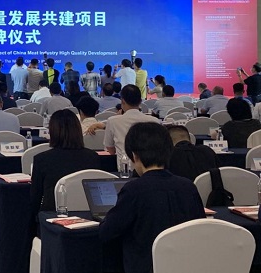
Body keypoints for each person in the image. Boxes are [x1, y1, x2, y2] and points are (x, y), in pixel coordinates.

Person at [99, 122, 205, 273]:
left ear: (134, 156)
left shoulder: (134, 190)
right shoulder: (188, 186)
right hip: (184, 265)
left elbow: (107, 233)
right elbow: (200, 227)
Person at [30, 109, 100, 219]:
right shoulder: (93, 157)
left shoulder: (42, 159)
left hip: (53, 218)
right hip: (88, 217)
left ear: (52, 132)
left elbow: (35, 198)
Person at [103, 84, 160, 168]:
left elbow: (110, 147)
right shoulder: (155, 121)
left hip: (124, 169)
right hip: (150, 168)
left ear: (122, 101)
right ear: (140, 101)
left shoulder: (112, 121)